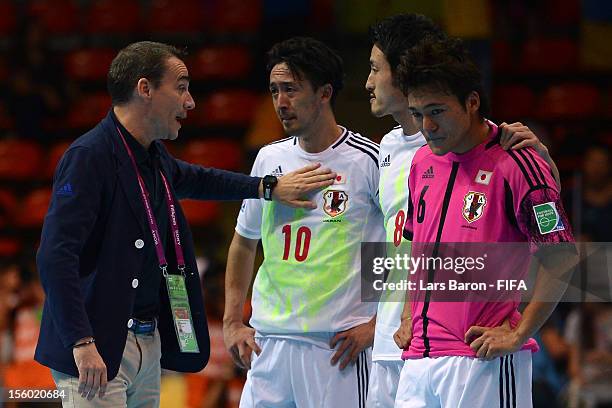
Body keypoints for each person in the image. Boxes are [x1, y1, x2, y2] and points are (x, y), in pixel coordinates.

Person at [34, 41, 336, 407]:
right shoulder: (89, 157)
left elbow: (201, 179)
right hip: (96, 348)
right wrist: (80, 342)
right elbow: (55, 256)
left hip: (146, 343)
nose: (190, 101)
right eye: (180, 87)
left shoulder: (152, 154)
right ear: (144, 89)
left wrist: (265, 187)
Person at [364, 14, 563, 407]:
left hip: (482, 360)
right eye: (419, 113)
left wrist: (519, 333)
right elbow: (414, 247)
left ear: (471, 102)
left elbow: (563, 256)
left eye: (437, 112)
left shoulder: (516, 161)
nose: (426, 125)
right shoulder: (421, 163)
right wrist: (407, 315)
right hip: (417, 360)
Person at [222, 37, 384, 408]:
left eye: (291, 90)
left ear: (325, 92)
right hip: (270, 343)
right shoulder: (268, 159)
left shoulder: (368, 161)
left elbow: (401, 246)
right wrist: (233, 320)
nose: (280, 102)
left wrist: (377, 325)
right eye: (275, 90)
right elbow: (244, 241)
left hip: (336, 347)